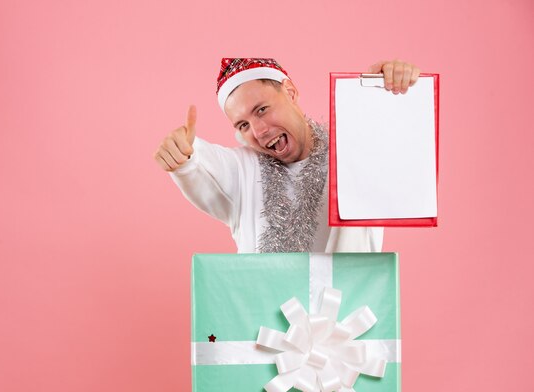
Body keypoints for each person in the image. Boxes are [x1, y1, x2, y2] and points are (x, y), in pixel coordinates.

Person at [154, 58, 420, 253]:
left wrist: (386, 91)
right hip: (264, 328)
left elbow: (397, 150)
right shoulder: (244, 171)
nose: (258, 131)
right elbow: (200, 162)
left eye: (261, 110)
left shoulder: (356, 153)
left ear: (290, 92)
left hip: (349, 323)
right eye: (243, 125)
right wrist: (183, 156)